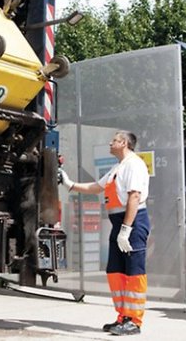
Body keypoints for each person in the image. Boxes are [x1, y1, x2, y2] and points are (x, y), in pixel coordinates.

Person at [60, 130, 150, 336]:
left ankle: (134, 322)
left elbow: (134, 197)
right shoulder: (118, 168)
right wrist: (70, 184)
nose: (111, 142)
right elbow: (96, 187)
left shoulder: (134, 164)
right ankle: (123, 317)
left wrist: (126, 230)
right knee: (115, 270)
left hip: (133, 223)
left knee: (134, 271)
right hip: (120, 223)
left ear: (125, 143)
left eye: (115, 140)